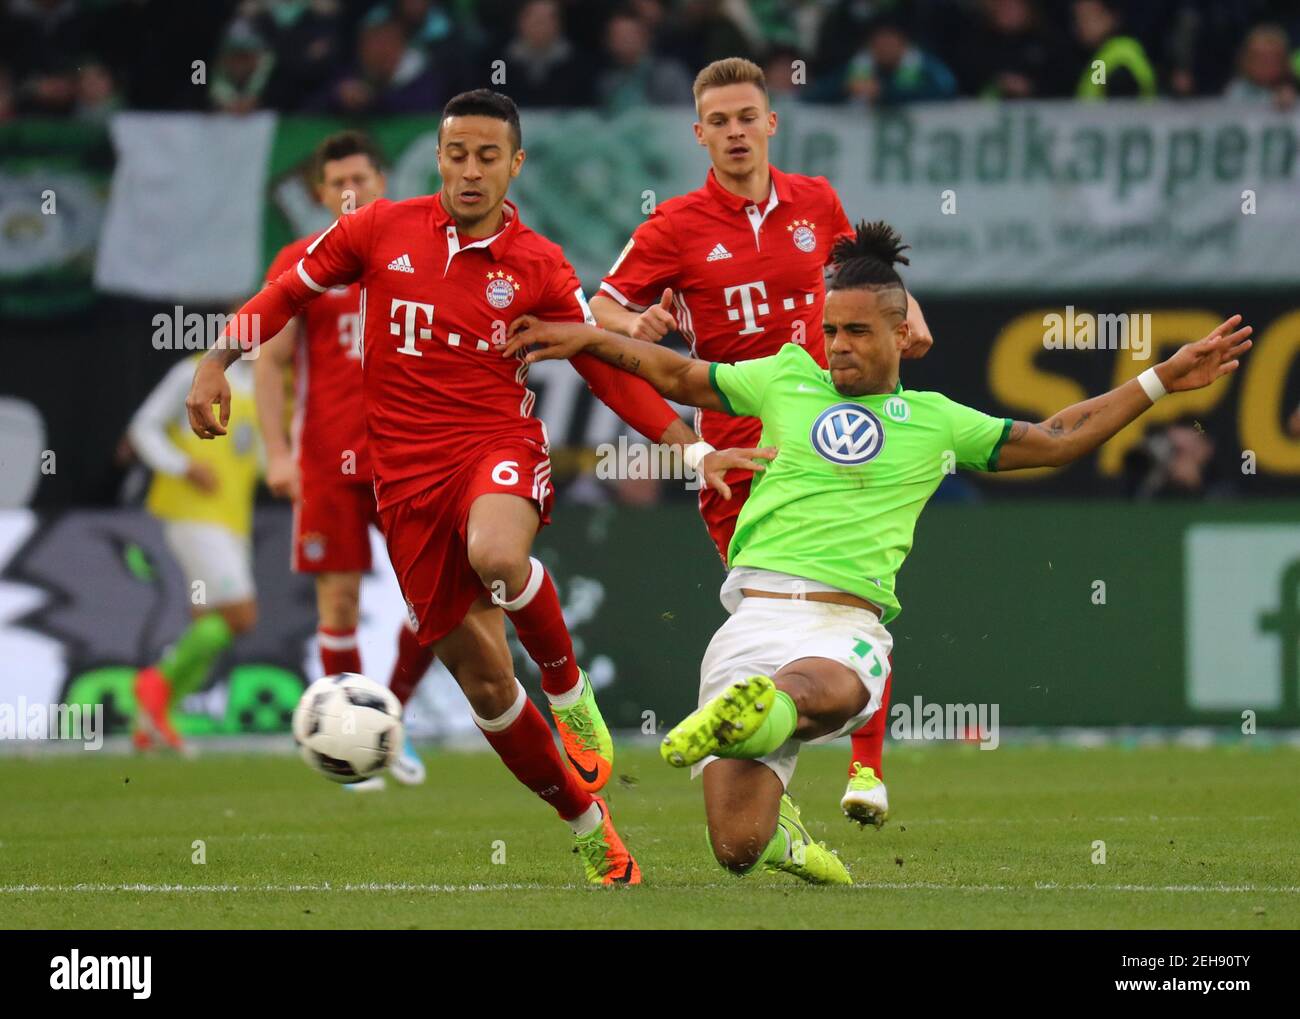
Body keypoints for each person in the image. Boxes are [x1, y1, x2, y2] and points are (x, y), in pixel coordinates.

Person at [503, 220, 1252, 884]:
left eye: (857, 332)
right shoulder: (786, 377)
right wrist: (587, 339)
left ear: (901, 334)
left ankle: (765, 708)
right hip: (752, 615)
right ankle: (780, 807)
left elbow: (1057, 438)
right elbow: (676, 373)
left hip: (843, 627)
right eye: (831, 330)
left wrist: (1160, 379)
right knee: (736, 848)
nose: (838, 347)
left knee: (812, 686)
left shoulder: (933, 420)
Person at [185, 89, 752, 885]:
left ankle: (568, 686)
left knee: (496, 553)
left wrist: (687, 449)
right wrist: (217, 358)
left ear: (515, 164)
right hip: (403, 482)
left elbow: (600, 363)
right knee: (485, 681)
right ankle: (588, 821)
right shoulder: (379, 230)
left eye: (489, 156)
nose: (471, 170)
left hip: (495, 445)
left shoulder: (539, 264)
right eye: (458, 154)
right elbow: (288, 294)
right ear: (439, 158)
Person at [589, 56, 934, 827]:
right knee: (774, 617)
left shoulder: (816, 201)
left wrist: (905, 311)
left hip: (837, 430)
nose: (736, 132)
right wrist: (635, 321)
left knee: (855, 585)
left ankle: (867, 769)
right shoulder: (673, 227)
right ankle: (762, 785)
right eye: (719, 121)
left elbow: (868, 281)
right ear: (699, 134)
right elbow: (599, 310)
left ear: (771, 123)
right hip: (743, 451)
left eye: (748, 117)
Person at [256, 130, 430, 788]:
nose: (350, 191)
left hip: (409, 457)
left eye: (361, 177)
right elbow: (270, 362)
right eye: (336, 184)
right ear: (321, 193)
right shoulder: (301, 260)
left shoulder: (418, 255)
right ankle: (352, 742)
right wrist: (277, 451)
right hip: (328, 458)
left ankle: (392, 721)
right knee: (338, 602)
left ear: (383, 180)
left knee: (435, 601)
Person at [127, 351, 260, 751]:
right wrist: (182, 465)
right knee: (241, 614)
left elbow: (259, 456)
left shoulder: (264, 385)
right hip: (194, 515)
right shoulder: (194, 370)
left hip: (232, 519)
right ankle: (157, 684)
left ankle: (157, 714)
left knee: (211, 621)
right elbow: (143, 427)